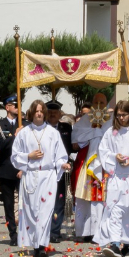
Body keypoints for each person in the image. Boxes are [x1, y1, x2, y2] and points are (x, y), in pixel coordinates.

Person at [11, 100, 71, 257]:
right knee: (32, 211)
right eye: (36, 111)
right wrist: (28, 156)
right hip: (30, 175)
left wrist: (62, 164)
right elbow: (15, 156)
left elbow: (59, 155)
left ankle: (42, 245)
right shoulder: (24, 132)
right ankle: (35, 243)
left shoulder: (53, 133)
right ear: (31, 113)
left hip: (48, 175)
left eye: (41, 111)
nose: (39, 113)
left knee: (45, 211)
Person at [95, 100, 129, 257]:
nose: (121, 118)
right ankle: (113, 243)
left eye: (124, 115)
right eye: (118, 115)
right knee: (113, 209)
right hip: (117, 176)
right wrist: (115, 157)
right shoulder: (111, 132)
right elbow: (103, 150)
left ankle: (126, 244)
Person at [71, 94, 110, 242]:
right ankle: (84, 231)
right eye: (96, 102)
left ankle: (100, 232)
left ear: (106, 103)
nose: (99, 104)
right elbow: (75, 139)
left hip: (105, 165)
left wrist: (98, 133)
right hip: (87, 163)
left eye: (102, 102)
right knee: (84, 198)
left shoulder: (112, 120)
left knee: (101, 199)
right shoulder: (85, 120)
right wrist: (93, 132)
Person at [0, 96, 22, 245]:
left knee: (24, 202)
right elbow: (1, 145)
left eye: (19, 104)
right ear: (7, 107)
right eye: (14, 105)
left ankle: (25, 231)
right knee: (8, 204)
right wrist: (15, 136)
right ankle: (13, 234)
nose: (18, 107)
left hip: (22, 169)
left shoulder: (25, 123)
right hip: (6, 168)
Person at [45, 100, 75, 242]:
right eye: (50, 112)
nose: (52, 115)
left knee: (59, 201)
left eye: (55, 112)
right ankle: (45, 230)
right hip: (45, 171)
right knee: (45, 201)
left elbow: (71, 147)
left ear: (59, 114)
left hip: (61, 171)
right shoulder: (41, 128)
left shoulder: (66, 127)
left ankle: (55, 232)